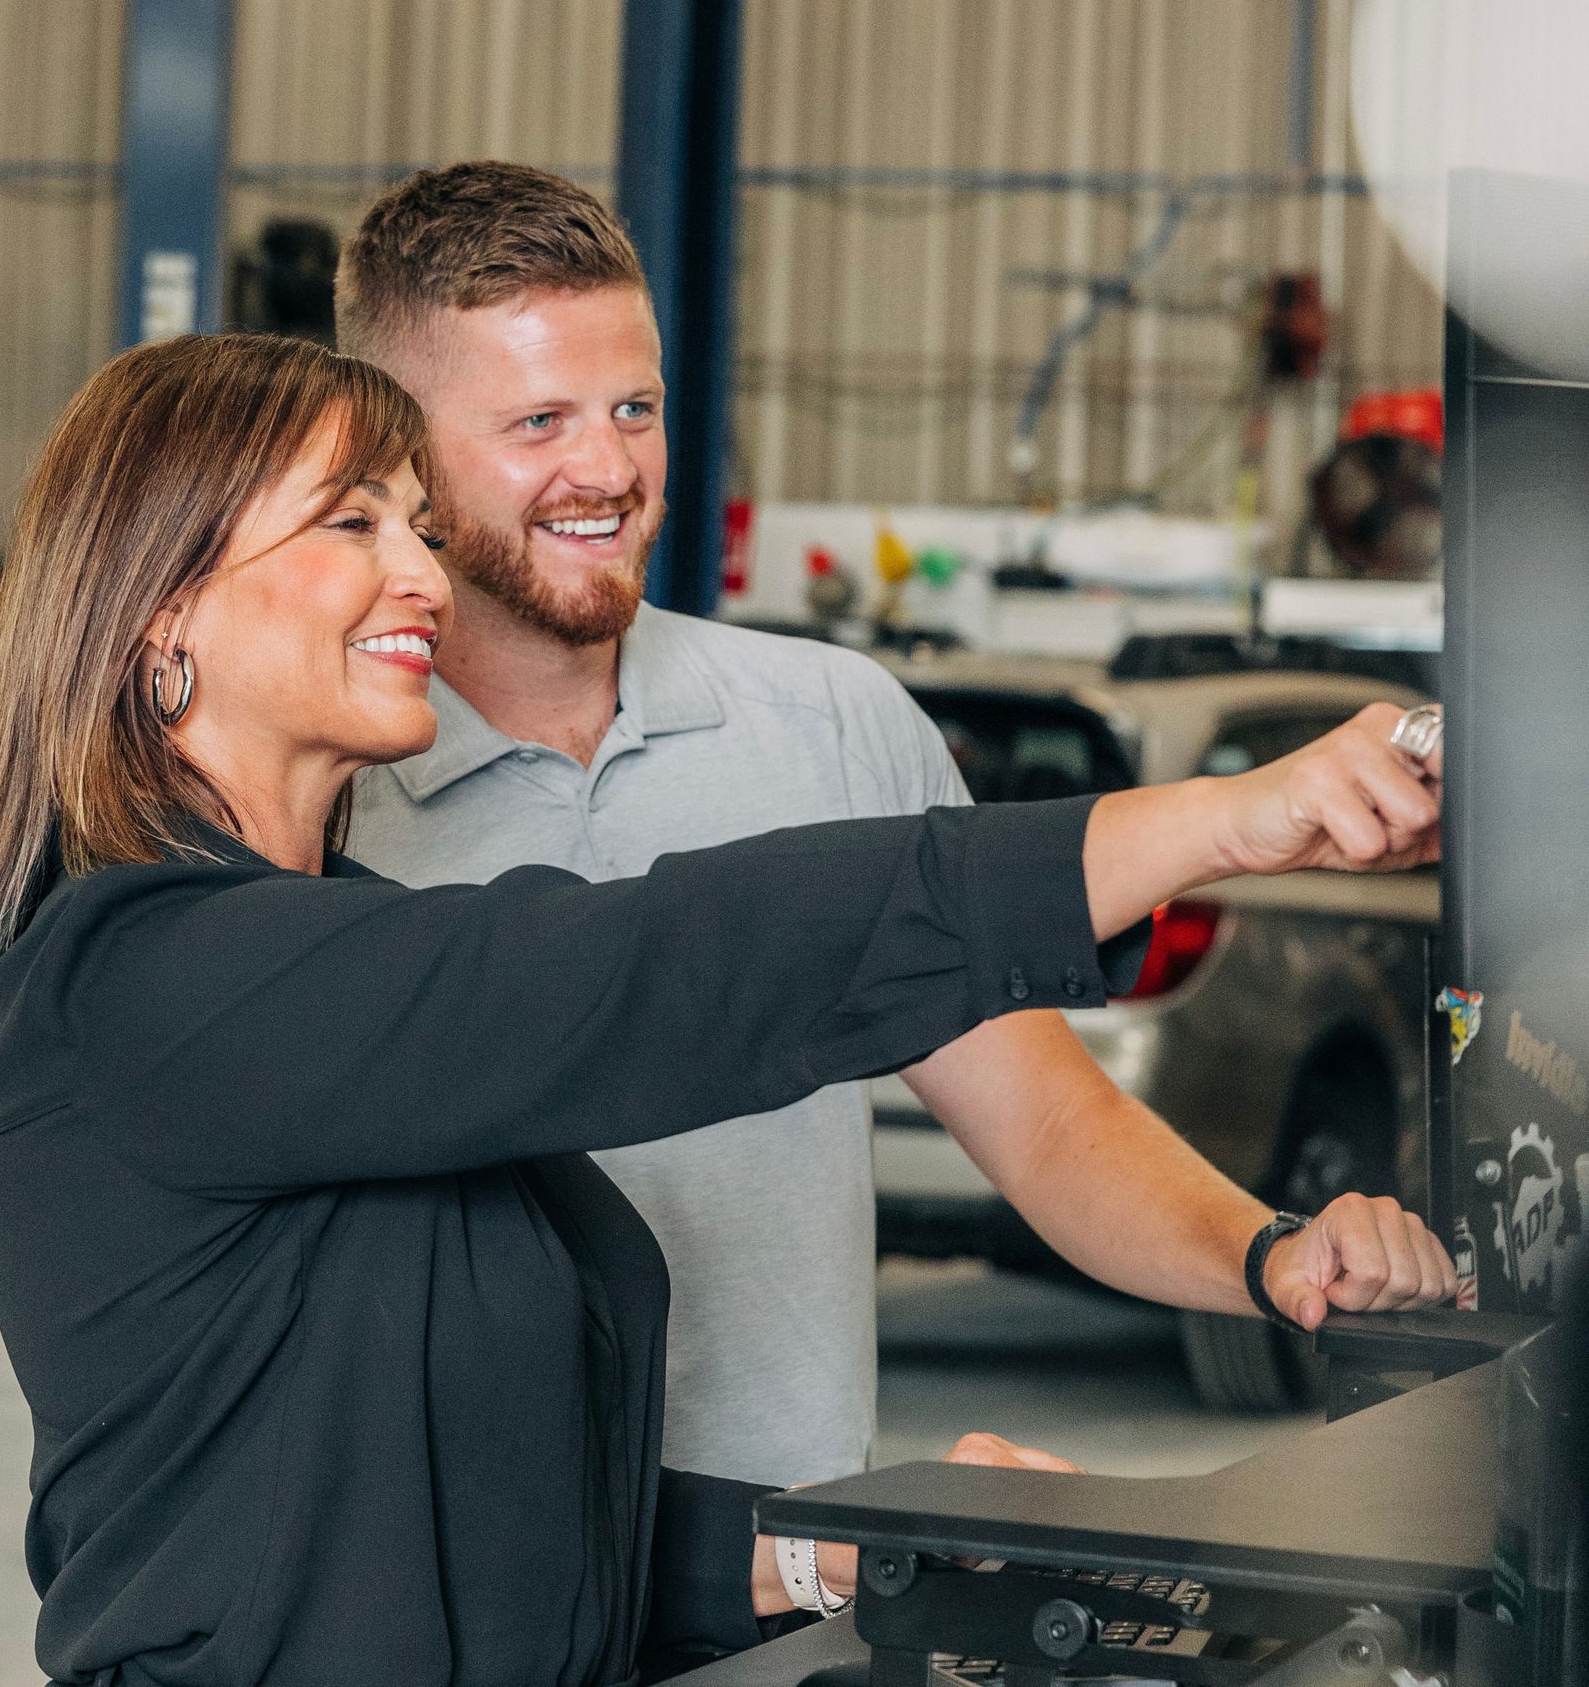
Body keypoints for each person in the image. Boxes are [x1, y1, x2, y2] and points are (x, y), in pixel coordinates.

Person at [0, 331, 1444, 1687]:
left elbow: (492, 1523)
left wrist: (849, 1549)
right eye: (352, 522)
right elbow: (662, 965)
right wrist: (1215, 822)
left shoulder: (348, 957)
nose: (424, 576)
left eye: (417, 524)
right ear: (162, 613)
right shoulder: (137, 978)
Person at [340, 161, 1457, 1485]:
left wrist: (1270, 1258)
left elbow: (1043, 1123)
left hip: (790, 1563)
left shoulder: (833, 725)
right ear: (400, 457)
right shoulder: (326, 788)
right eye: (539, 422)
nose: (609, 467)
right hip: (454, 1576)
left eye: (636, 407)